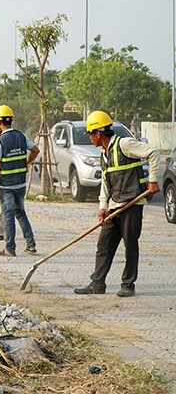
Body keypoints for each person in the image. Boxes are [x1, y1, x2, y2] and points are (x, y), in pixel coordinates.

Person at [74, 111, 160, 297]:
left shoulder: (124, 144)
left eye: (90, 133)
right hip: (115, 206)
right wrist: (103, 207)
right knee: (104, 244)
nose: (90, 138)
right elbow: (106, 183)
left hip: (132, 204)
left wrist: (152, 180)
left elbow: (152, 153)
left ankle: (128, 285)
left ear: (98, 133)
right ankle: (97, 283)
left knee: (130, 245)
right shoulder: (104, 155)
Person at [0, 105, 39, 257]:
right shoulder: (21, 136)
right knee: (20, 213)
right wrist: (26, 163)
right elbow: (36, 150)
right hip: (21, 184)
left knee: (8, 215)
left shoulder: (0, 141)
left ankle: (10, 248)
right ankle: (31, 245)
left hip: (7, 186)